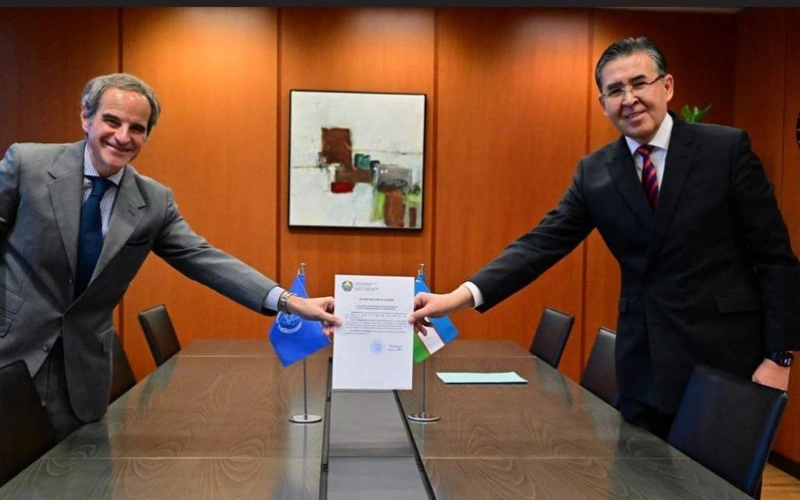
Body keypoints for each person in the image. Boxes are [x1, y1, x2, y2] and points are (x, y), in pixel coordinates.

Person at [409, 37, 800, 439]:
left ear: (666, 86)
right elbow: (540, 244)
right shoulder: (595, 172)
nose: (629, 99)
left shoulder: (725, 150)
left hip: (725, 365)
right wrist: (457, 298)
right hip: (644, 371)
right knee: (637, 473)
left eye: (639, 83)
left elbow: (776, 258)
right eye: (615, 90)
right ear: (603, 103)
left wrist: (779, 358)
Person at [0, 73, 342, 440]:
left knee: (71, 473)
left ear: (147, 135)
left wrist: (291, 302)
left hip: (80, 383)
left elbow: (204, 259)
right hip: (9, 357)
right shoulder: (28, 165)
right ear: (86, 116)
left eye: (137, 128)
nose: (122, 137)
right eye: (112, 121)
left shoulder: (153, 202)